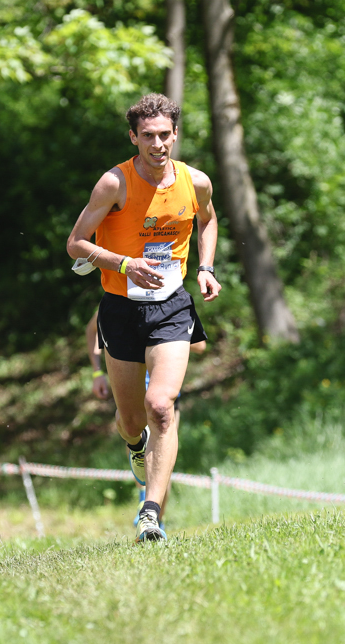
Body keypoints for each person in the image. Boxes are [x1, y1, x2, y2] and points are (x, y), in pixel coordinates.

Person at [67, 93, 221, 542]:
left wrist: (206, 268)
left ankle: (150, 512)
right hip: (120, 308)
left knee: (162, 406)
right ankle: (135, 446)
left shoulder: (196, 182)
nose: (158, 144)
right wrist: (123, 264)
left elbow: (208, 221)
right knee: (132, 420)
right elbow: (76, 244)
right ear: (133, 137)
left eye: (165, 135)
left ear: (176, 134)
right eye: (148, 136)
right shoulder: (114, 183)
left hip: (172, 305)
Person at [85, 309, 206, 530]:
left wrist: (165, 336)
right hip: (133, 394)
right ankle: (145, 498)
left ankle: (154, 520)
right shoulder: (118, 302)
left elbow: (200, 345)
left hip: (165, 399)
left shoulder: (169, 303)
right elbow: (92, 329)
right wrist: (97, 372)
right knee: (137, 448)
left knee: (161, 459)